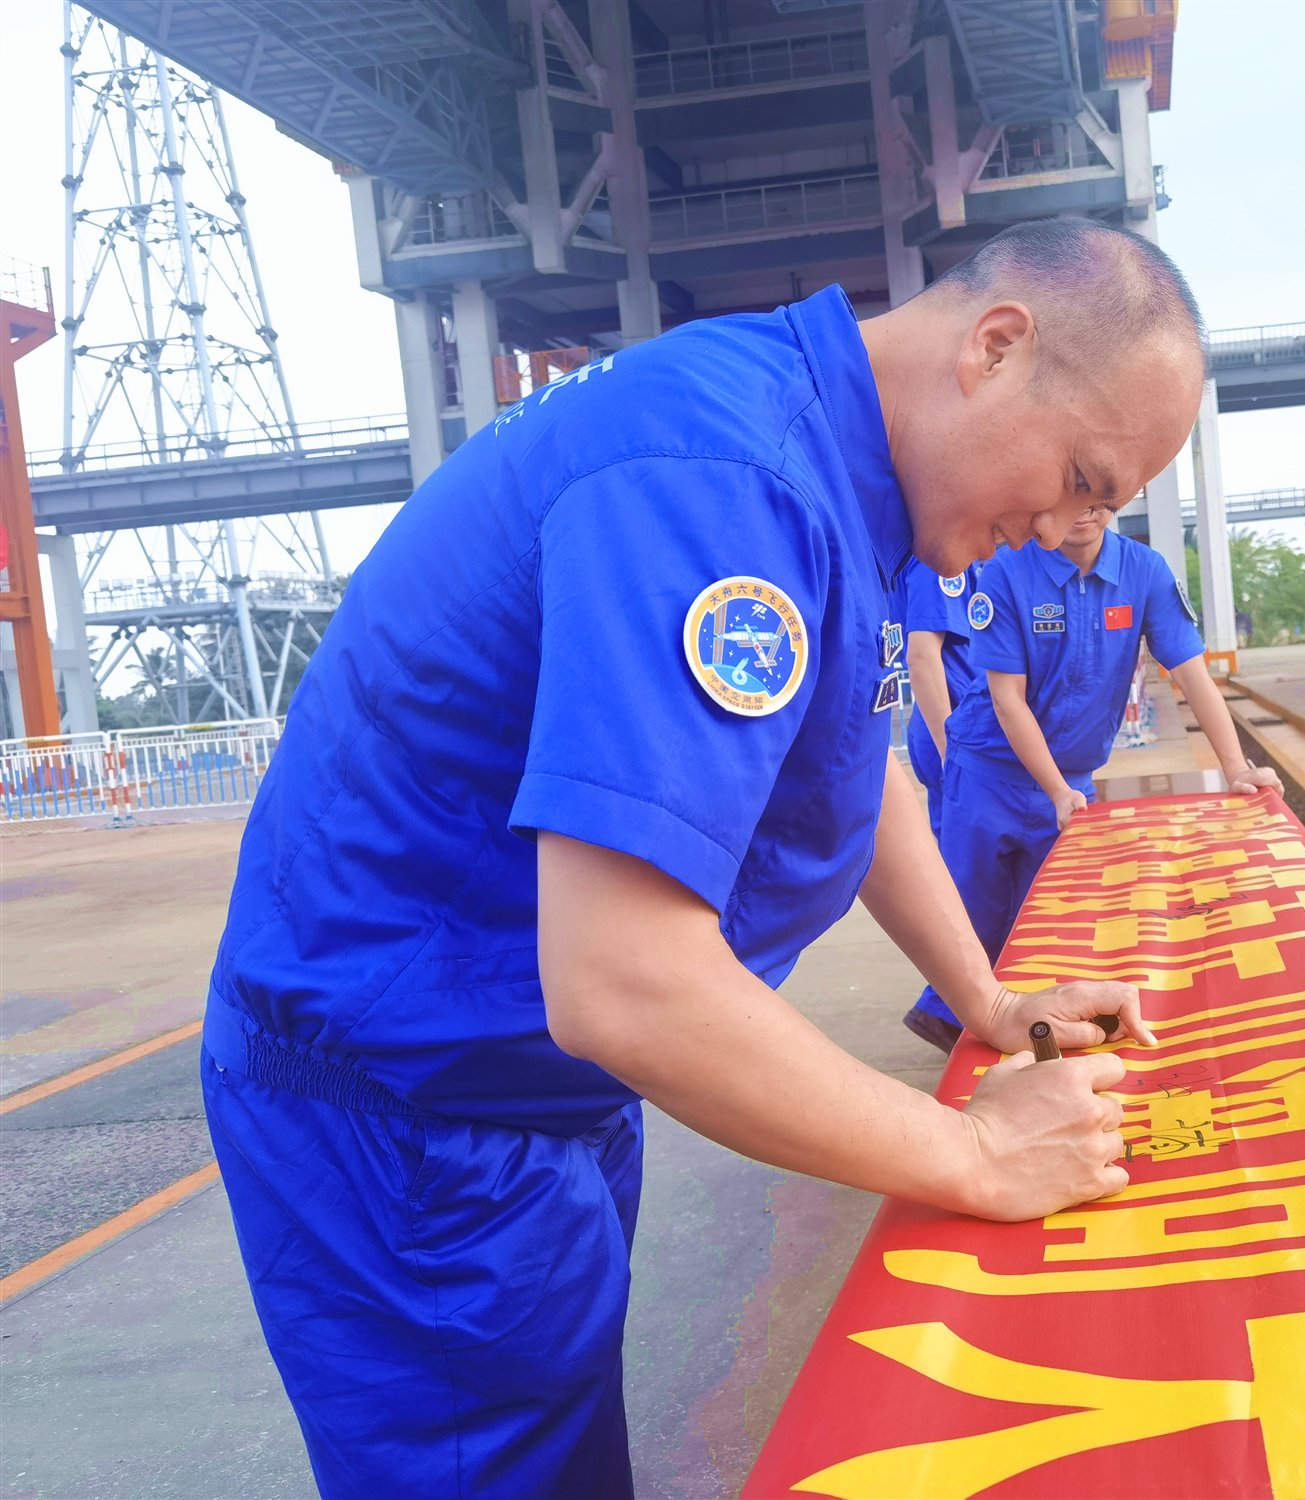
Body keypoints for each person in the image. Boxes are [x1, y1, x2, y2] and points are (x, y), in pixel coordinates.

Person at [199, 217, 1206, 1496]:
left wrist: (992, 1006)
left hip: (518, 1087)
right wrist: (971, 1153)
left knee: (556, 1446)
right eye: (1082, 476)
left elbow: (861, 763)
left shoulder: (848, 475)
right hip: (409, 1109)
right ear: (995, 347)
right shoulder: (723, 480)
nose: (1072, 528)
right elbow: (625, 980)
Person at [905, 502, 1283, 1049]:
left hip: (1072, 780)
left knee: (1050, 919)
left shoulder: (1143, 572)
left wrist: (1235, 767)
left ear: (1121, 498)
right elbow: (1007, 700)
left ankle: (1028, 1028)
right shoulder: (1010, 571)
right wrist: (1056, 789)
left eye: (1100, 496)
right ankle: (947, 1018)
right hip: (988, 771)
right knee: (974, 910)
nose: (1084, 511)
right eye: (1069, 495)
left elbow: (1191, 672)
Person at [894, 555, 985, 840]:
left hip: (957, 725)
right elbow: (921, 656)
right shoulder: (938, 560)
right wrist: (950, 750)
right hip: (954, 725)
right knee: (966, 857)